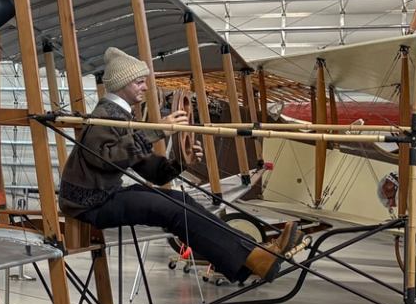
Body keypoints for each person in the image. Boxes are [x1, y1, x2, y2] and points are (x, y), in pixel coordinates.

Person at [59, 47, 298, 285]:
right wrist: (156, 131)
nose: (145, 87)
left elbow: (152, 171)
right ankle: (254, 259)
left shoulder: (122, 116)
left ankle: (255, 255)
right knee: (172, 210)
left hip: (104, 196)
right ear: (123, 84)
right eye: (139, 82)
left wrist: (181, 161)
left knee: (179, 202)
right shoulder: (106, 115)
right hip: (89, 204)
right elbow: (102, 158)